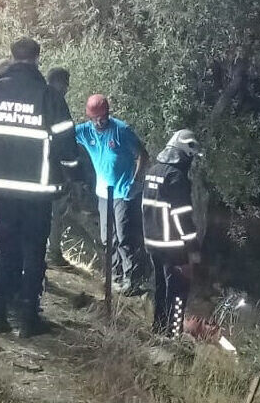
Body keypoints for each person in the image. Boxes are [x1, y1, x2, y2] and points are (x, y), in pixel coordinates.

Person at [0, 37, 78, 337]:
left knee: (5, 250)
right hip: (36, 193)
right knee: (34, 253)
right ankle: (29, 318)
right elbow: (67, 146)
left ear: (12, 57)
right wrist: (72, 175)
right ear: (37, 59)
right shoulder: (49, 96)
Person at [75, 94, 148, 294]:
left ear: (108, 114)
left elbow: (143, 155)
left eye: (103, 117)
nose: (100, 121)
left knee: (124, 237)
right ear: (90, 117)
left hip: (123, 192)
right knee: (108, 238)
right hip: (103, 193)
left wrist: (137, 181)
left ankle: (131, 279)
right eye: (96, 118)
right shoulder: (84, 131)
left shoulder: (121, 130)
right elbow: (64, 136)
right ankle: (114, 275)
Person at [141, 129, 202, 337]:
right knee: (178, 292)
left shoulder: (153, 171)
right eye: (189, 157)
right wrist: (192, 251)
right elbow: (182, 217)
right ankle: (173, 335)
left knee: (159, 288)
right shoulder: (177, 177)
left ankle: (158, 331)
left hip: (152, 242)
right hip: (173, 246)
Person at [45, 66, 74, 269]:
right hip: (52, 171)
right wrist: (72, 169)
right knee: (55, 214)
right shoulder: (56, 101)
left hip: (31, 169)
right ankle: (53, 253)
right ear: (60, 83)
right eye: (65, 84)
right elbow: (65, 139)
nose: (66, 89)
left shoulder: (38, 96)